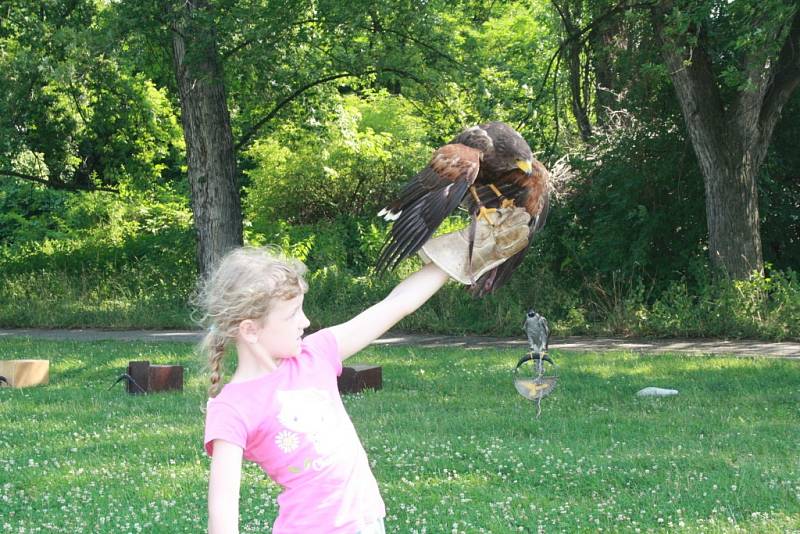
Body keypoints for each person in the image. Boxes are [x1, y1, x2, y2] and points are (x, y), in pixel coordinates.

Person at [198, 207, 531, 534]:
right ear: (250, 330)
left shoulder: (315, 355)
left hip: (367, 522)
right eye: (291, 316)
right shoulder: (232, 407)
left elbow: (395, 304)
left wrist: (463, 249)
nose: (305, 322)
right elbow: (223, 509)